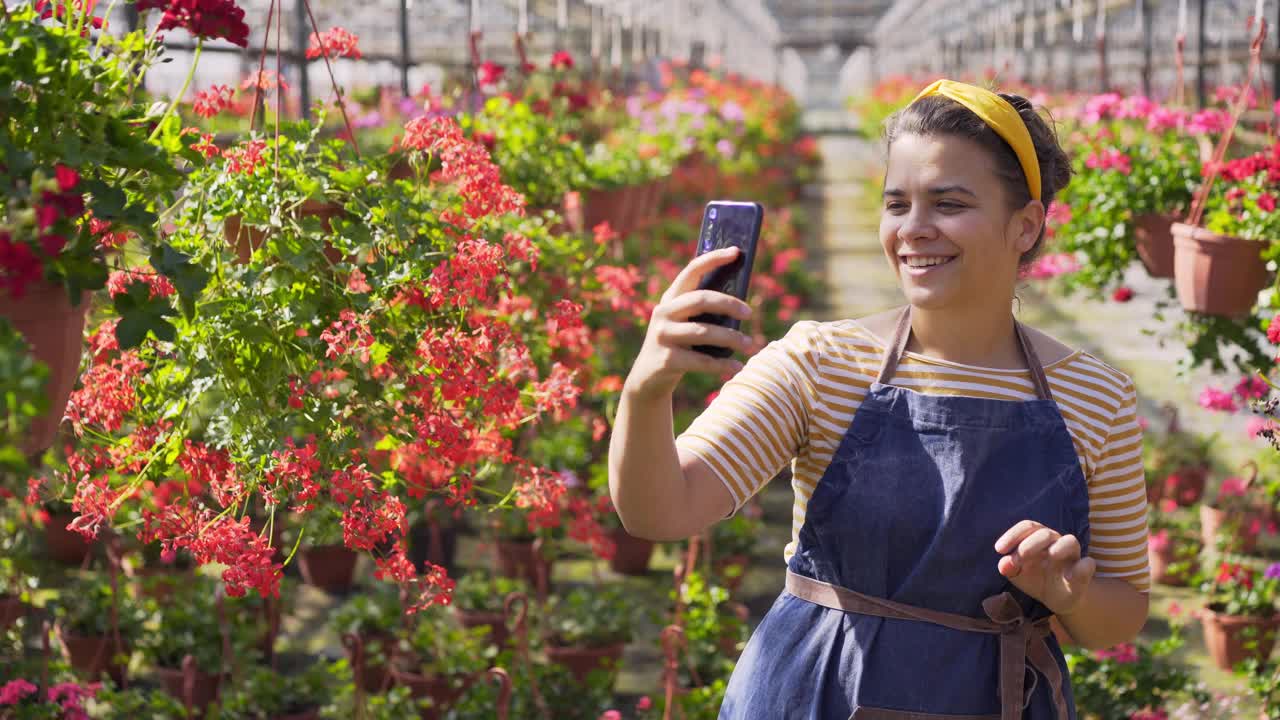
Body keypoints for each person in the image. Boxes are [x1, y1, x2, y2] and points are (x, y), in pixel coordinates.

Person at [608, 79, 1149, 719]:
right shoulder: (818, 363)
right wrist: (647, 386)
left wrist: (1070, 593)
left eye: (948, 203)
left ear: (1025, 225)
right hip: (817, 695)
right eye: (898, 204)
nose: (914, 230)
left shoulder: (1095, 395)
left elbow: (1119, 612)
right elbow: (660, 510)